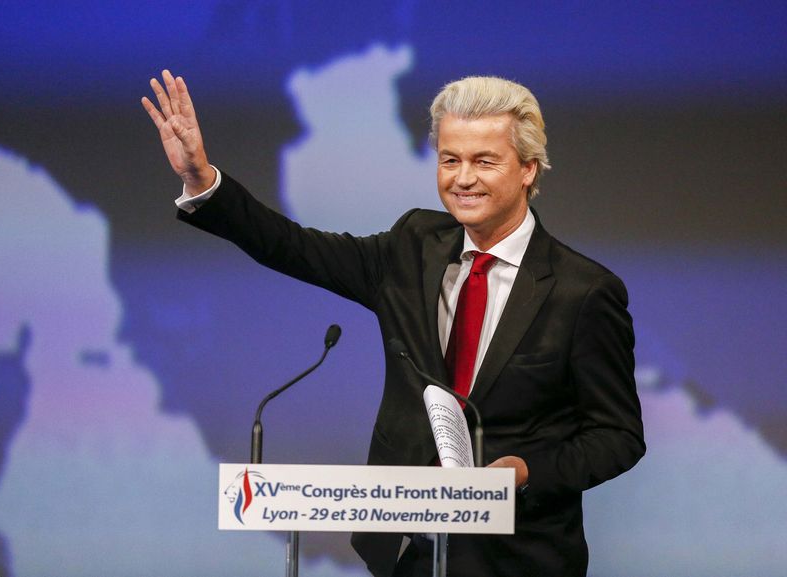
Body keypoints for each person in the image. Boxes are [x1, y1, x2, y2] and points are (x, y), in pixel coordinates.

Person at [142, 70, 645, 577]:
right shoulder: (413, 248)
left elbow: (616, 436)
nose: (463, 178)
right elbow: (294, 247)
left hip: (520, 558)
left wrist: (527, 471)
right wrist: (203, 180)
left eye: (484, 161)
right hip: (413, 551)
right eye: (450, 160)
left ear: (529, 169)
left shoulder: (583, 291)